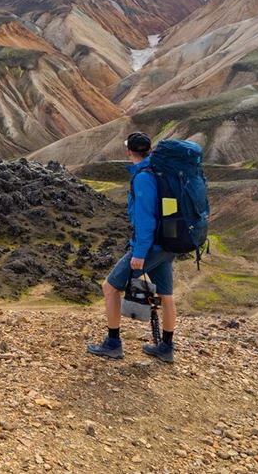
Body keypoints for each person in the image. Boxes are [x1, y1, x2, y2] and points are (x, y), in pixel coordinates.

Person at [87, 132, 178, 363]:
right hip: (168, 243)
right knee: (166, 295)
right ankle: (166, 347)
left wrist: (139, 253)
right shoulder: (161, 172)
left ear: (129, 151)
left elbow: (145, 219)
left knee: (109, 287)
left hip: (151, 246)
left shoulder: (143, 178)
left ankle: (113, 343)